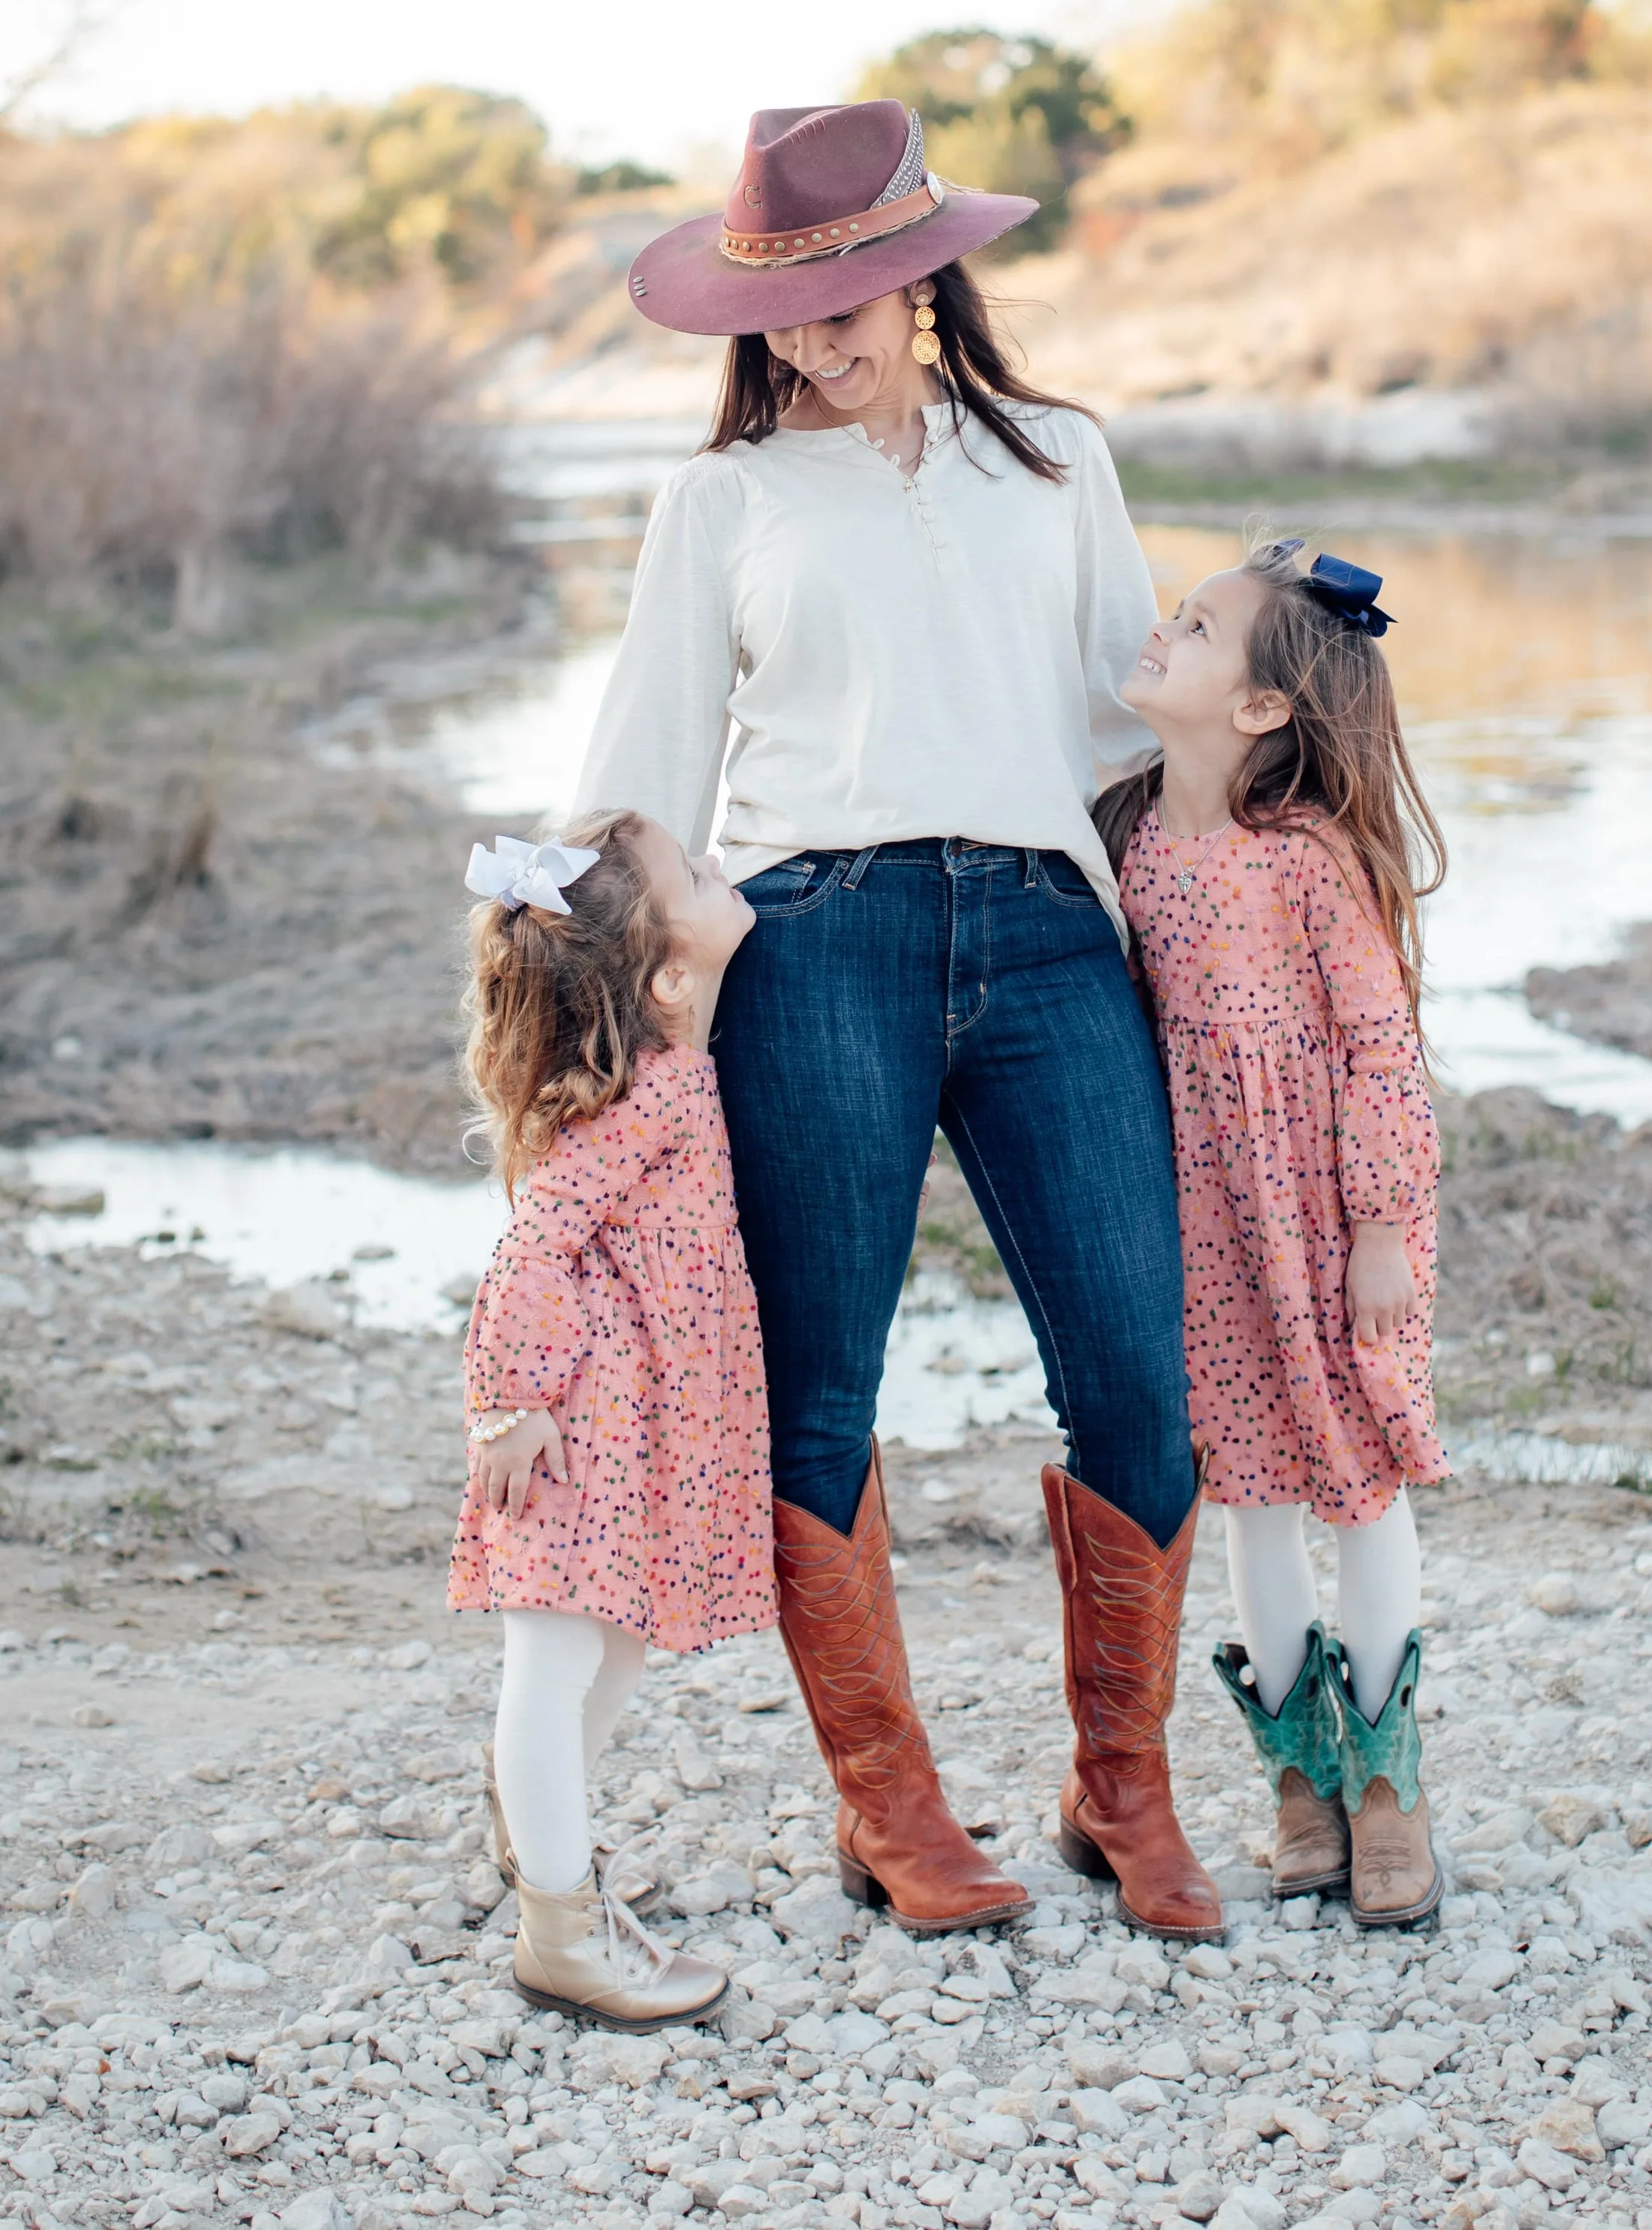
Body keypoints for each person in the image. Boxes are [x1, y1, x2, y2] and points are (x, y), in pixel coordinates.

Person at [573, 98, 1219, 1942]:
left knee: (1135, 1375)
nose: (818, 335)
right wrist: (580, 997)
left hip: (1042, 939)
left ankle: (1127, 1793)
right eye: (786, 308)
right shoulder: (722, 501)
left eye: (852, 297)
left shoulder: (1059, 462)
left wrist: (1251, 903)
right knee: (820, 1391)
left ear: (930, 279)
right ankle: (892, 1809)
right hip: (814, 940)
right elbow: (642, 774)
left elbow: (1128, 733)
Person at [1096, 538, 1451, 1930]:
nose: (1161, 631)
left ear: (1257, 710)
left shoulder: (1306, 860)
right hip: (1207, 1226)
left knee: (1360, 1479)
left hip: (1326, 1220)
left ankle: (1387, 1786)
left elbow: (1380, 1046)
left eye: (1195, 627)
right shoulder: (1125, 842)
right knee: (1248, 1488)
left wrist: (1381, 1225)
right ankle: (1298, 1777)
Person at [448, 813, 773, 2024]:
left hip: (640, 1425)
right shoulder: (655, 1092)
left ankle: (545, 1832)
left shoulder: (666, 1066)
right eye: (698, 871)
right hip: (582, 1422)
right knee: (560, 1651)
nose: (717, 863)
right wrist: (508, 1406)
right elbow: (531, 1248)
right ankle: (561, 1930)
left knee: (617, 1639)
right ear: (667, 978)